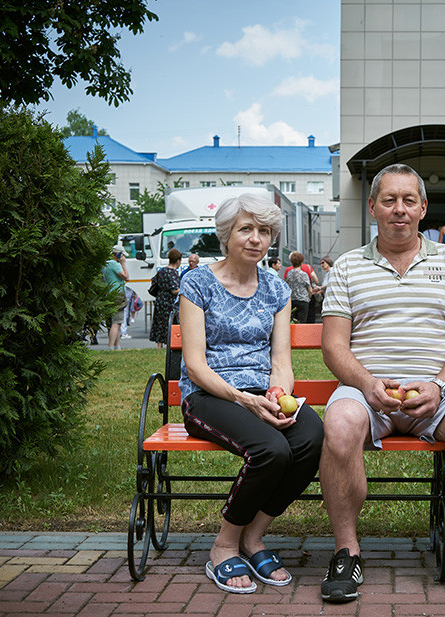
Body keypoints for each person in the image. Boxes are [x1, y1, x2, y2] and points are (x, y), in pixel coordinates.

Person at [318, 164, 445, 603]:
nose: (399, 209)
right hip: (366, 392)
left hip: (437, 392)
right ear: (373, 207)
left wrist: (439, 385)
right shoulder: (347, 267)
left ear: (422, 208)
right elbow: (334, 346)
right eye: (389, 200)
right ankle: (346, 552)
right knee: (338, 424)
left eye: (408, 200)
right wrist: (366, 383)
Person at [177, 193, 324, 594]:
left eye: (264, 231)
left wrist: (277, 393)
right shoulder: (197, 283)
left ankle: (254, 537)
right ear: (226, 235)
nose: (256, 238)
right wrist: (244, 400)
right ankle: (224, 545)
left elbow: (281, 360)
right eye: (246, 229)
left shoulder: (276, 288)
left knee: (311, 438)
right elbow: (195, 366)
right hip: (209, 395)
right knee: (271, 450)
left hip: (262, 393)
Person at [149, 249, 181, 349]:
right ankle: (169, 345)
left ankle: (159, 345)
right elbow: (174, 290)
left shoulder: (162, 271)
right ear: (178, 261)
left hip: (160, 300)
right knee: (170, 324)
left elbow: (154, 281)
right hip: (169, 302)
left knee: (159, 323)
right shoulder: (173, 273)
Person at [102, 246, 129, 350]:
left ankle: (117, 346)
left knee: (117, 322)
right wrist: (123, 264)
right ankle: (111, 346)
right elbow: (126, 277)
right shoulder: (115, 264)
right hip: (118, 294)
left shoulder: (106, 264)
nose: (123, 257)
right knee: (116, 323)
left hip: (109, 294)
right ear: (117, 254)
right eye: (122, 255)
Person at [285, 251, 313, 323]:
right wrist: (309, 297)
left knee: (293, 321)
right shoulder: (304, 274)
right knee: (302, 322)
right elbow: (310, 289)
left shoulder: (289, 274)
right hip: (303, 301)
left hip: (292, 300)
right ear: (301, 262)